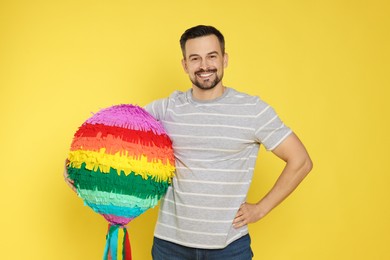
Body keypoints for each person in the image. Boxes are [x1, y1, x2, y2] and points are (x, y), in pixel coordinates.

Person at [64, 25, 312, 260]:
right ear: (185, 65)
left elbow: (300, 161)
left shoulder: (253, 110)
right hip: (170, 246)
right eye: (195, 58)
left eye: (211, 56)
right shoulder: (166, 108)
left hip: (229, 247)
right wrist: (80, 171)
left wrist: (261, 208)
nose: (204, 66)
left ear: (224, 59)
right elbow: (116, 134)